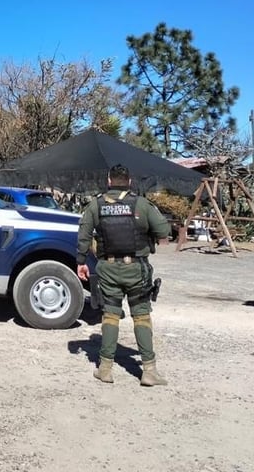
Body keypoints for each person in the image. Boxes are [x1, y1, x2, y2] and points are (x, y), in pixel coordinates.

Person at [76, 164, 171, 386]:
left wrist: (80, 262)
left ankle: (105, 369)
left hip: (107, 269)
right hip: (136, 269)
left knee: (110, 315)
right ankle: (148, 371)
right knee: (141, 316)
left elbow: (83, 233)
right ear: (129, 182)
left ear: (109, 181)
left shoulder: (96, 205)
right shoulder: (142, 204)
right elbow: (164, 231)